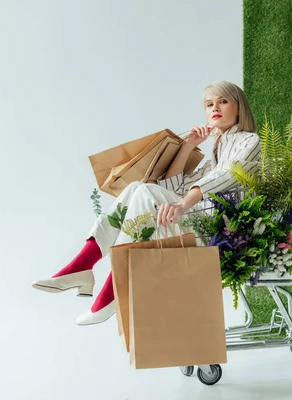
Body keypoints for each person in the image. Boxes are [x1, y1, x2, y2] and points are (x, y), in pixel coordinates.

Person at [32, 80, 260, 326]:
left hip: (221, 232)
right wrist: (188, 147)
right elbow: (171, 188)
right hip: (199, 222)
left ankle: (106, 284)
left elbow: (228, 175)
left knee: (144, 193)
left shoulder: (250, 141)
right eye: (209, 104)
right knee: (137, 188)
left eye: (223, 101)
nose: (215, 108)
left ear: (239, 107)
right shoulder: (215, 154)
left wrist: (183, 204)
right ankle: (86, 265)